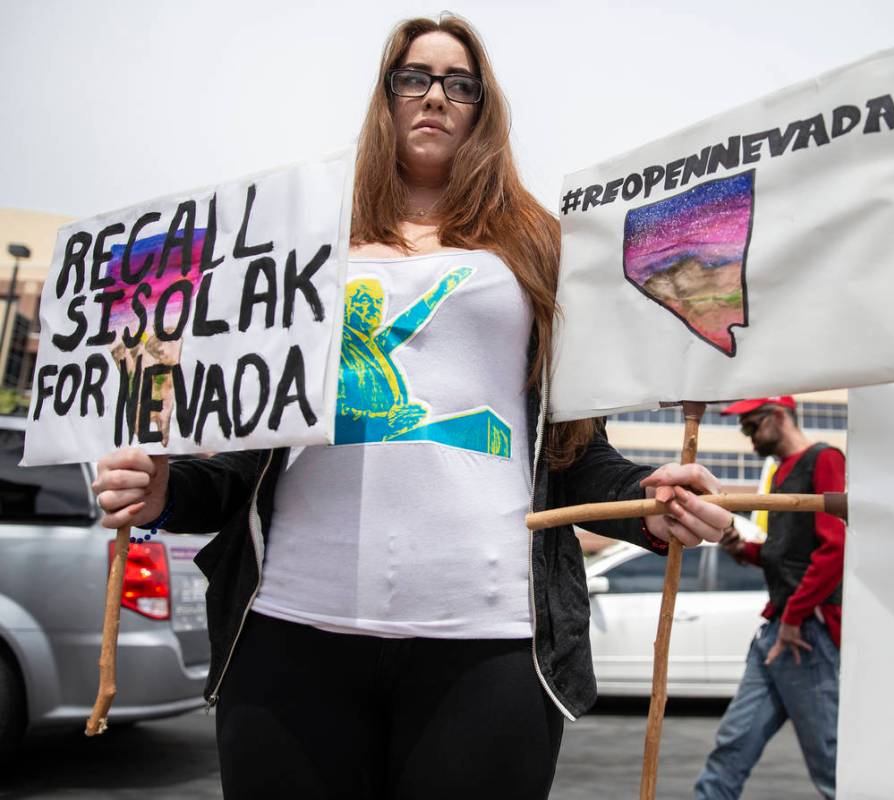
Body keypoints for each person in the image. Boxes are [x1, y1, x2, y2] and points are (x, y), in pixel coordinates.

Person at [91, 14, 734, 800]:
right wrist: (166, 493)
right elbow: (245, 453)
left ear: (482, 109)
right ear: (386, 96)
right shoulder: (299, 241)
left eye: (459, 84)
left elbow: (573, 458)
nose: (435, 96)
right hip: (290, 632)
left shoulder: (538, 247)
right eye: (414, 77)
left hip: (487, 645)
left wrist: (648, 504)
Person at [694, 396, 846, 800]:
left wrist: (795, 617)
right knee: (732, 745)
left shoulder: (824, 459)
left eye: (751, 426)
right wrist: (742, 550)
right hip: (780, 630)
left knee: (832, 762)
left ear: (779, 417)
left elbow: (835, 549)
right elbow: (786, 554)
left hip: (805, 634)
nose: (748, 437)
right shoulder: (781, 472)